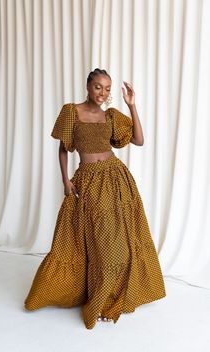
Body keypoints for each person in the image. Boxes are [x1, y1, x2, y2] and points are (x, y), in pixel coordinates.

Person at [24, 68, 166, 330]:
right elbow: (63, 148)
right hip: (88, 182)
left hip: (116, 179)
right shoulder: (71, 112)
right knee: (99, 243)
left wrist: (132, 105)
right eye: (99, 87)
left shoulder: (110, 115)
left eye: (108, 88)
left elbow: (139, 139)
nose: (103, 93)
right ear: (88, 87)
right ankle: (94, 295)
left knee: (120, 242)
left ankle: (113, 296)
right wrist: (65, 181)